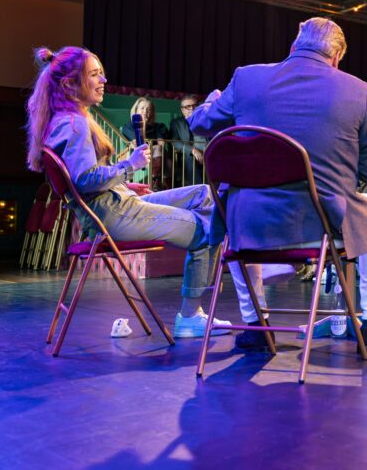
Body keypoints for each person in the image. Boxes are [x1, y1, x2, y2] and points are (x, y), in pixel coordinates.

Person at [189, 18, 367, 350]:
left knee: (237, 212)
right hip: (321, 223)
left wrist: (210, 101)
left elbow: (200, 123)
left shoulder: (246, 79)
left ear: (294, 46)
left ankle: (256, 325)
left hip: (252, 223)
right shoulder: (358, 91)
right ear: (336, 58)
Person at [27, 47, 230, 340]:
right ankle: (191, 316)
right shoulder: (74, 124)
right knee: (207, 229)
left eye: (101, 73)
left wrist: (124, 184)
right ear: (70, 84)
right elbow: (84, 180)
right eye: (94, 74)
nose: (103, 80)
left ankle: (218, 273)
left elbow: (80, 180)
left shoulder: (65, 120)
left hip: (115, 203)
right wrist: (129, 165)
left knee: (203, 194)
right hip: (113, 215)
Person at [121, 95, 170, 191]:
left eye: (148, 109)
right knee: (160, 153)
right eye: (142, 108)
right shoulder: (129, 126)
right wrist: (142, 125)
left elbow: (161, 144)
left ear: (152, 113)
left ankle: (156, 182)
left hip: (158, 155)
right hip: (139, 155)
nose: (145, 111)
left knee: (164, 156)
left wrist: (153, 148)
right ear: (136, 110)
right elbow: (140, 145)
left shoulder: (159, 126)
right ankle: (157, 182)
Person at [170, 94, 206, 186]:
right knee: (189, 160)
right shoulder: (176, 123)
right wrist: (192, 150)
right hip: (189, 154)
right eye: (188, 106)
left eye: (194, 105)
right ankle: (199, 189)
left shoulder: (205, 120)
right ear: (182, 110)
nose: (192, 109)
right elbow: (175, 142)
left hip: (207, 151)